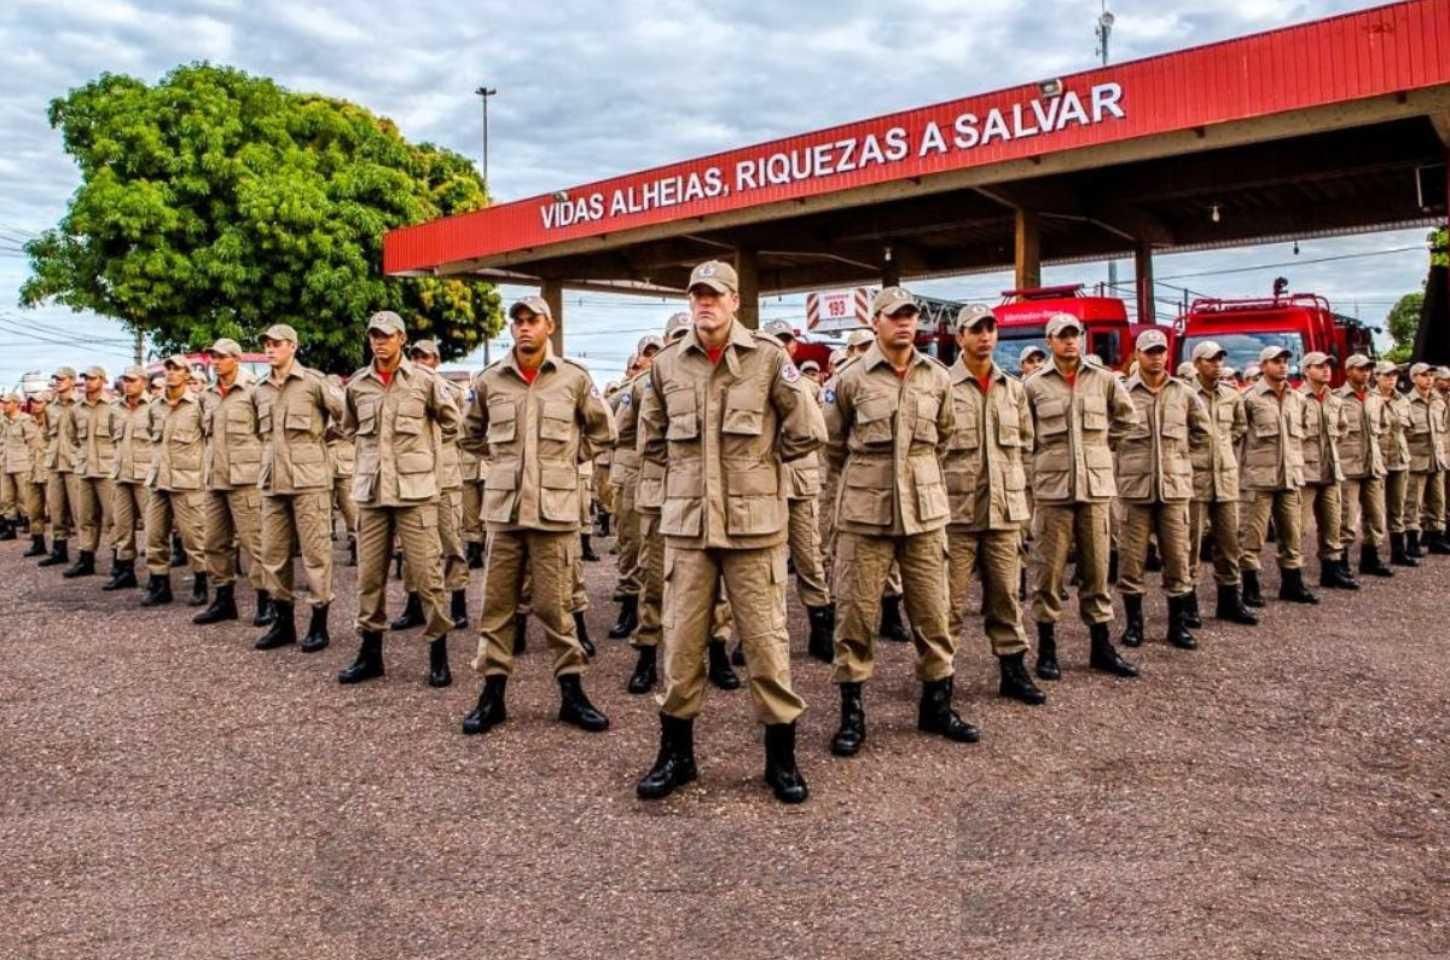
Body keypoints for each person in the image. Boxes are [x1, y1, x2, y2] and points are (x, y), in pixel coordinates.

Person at [635, 261, 820, 804]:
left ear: (736, 301)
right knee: (682, 646)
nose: (705, 304)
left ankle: (781, 759)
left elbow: (807, 430)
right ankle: (677, 756)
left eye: (715, 295)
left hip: (754, 529)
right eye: (697, 296)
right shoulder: (668, 365)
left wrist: (761, 468)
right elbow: (651, 439)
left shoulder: (767, 359)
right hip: (689, 528)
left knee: (766, 646)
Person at [823, 286, 978, 757]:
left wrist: (917, 477)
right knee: (856, 615)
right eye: (895, 316)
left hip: (925, 513)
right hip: (865, 514)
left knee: (933, 612)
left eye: (910, 315)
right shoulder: (850, 378)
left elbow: (944, 439)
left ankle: (936, 706)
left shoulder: (936, 377)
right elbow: (831, 447)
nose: (905, 323)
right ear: (876, 322)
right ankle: (852, 714)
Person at [458, 295, 616, 738]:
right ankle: (492, 696)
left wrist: (566, 462)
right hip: (506, 514)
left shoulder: (574, 379)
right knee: (497, 608)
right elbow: (469, 434)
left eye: (533, 321)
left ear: (550, 326)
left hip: (555, 513)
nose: (524, 328)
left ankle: (572, 694)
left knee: (556, 607)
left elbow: (604, 432)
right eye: (518, 321)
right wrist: (506, 463)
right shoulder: (490, 381)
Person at [336, 312, 461, 686]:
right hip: (372, 493)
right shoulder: (358, 385)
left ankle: (438, 653)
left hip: (415, 493)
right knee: (369, 577)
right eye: (374, 335)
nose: (380, 342)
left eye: (387, 336)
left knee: (427, 576)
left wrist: (424, 461)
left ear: (402, 339)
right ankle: (370, 653)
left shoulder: (424, 382)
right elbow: (349, 428)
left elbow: (452, 423)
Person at [1024, 314, 1140, 680]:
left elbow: (1127, 419)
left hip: (1094, 490)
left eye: (1075, 335)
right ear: (1049, 341)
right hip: (1053, 491)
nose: (1070, 342)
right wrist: (1038, 467)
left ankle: (1101, 647)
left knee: (1097, 570)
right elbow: (1024, 435)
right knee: (1049, 572)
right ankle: (1047, 648)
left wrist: (1101, 449)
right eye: (1062, 336)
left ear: (1083, 338)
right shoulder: (1033, 385)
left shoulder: (1103, 380)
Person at [942, 305, 1044, 705]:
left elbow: (1024, 446)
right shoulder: (942, 386)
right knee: (945, 607)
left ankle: (1013, 671)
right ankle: (940, 681)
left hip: (1003, 514)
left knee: (1006, 597)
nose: (985, 336)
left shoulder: (1012, 388)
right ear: (960, 337)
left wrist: (1023, 501)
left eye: (990, 329)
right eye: (976, 330)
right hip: (956, 514)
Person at [1114, 329, 1211, 651]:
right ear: (1137, 355)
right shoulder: (1123, 392)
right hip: (1134, 490)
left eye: (1161, 351)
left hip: (1174, 489)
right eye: (1149, 351)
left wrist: (1181, 461)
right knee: (1131, 562)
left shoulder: (1182, 393)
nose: (1156, 357)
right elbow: (1107, 435)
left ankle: (1178, 626)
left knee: (1177, 559)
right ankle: (1134, 626)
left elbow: (1202, 433)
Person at [252, 324, 342, 652]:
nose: (270, 349)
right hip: (273, 479)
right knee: (274, 554)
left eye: (276, 344)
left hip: (309, 481)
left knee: (316, 554)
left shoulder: (313, 383)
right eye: (266, 344)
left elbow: (345, 416)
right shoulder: (259, 389)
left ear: (293, 347)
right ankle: (283, 622)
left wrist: (321, 442)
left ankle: (319, 623)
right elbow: (256, 432)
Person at [763, 318, 834, 661]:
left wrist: (778, 454)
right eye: (775, 338)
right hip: (764, 488)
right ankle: (760, 639)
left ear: (793, 346)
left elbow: (819, 434)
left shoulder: (810, 387)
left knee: (810, 560)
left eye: (786, 339)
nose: (781, 344)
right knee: (764, 569)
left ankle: (821, 631)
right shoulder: (755, 381)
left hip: (801, 484)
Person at [193, 339, 268, 625]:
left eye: (221, 357)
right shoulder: (208, 395)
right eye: (212, 356)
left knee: (255, 543)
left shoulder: (254, 391)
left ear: (235, 359)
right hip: (215, 478)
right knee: (213, 541)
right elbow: (205, 432)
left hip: (245, 479)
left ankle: (266, 599)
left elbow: (265, 432)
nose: (215, 361)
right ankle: (223, 599)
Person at [1238, 346, 1318, 605]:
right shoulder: (1249, 398)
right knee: (1252, 536)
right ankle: (1250, 587)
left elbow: (1303, 433)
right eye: (1275, 361)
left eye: (1285, 361)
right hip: (1258, 478)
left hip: (1290, 476)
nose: (1282, 366)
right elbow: (1237, 435)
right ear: (1263, 366)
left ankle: (1292, 584)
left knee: (1292, 534)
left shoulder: (1297, 399)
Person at [401, 339, 470, 631]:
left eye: (426, 357)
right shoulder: (405, 391)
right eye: (415, 356)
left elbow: (461, 430)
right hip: (414, 480)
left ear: (437, 360)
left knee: (451, 540)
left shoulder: (452, 392)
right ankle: (414, 603)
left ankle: (458, 601)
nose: (420, 361)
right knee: (411, 545)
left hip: (445, 478)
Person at [1187, 341, 1257, 624]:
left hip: (1225, 477)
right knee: (1188, 544)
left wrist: (1223, 451)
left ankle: (1229, 601)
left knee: (1229, 541)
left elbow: (1239, 428)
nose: (1216, 364)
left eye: (1219, 359)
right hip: (1194, 477)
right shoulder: (1184, 393)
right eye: (1210, 360)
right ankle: (1187, 601)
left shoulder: (1231, 395)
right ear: (1197, 364)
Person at [140, 356, 208, 607]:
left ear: (187, 375)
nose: (170, 373)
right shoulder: (155, 407)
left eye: (176, 369)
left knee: (194, 538)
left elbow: (208, 439)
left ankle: (202, 583)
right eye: (168, 368)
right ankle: (160, 585)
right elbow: (151, 434)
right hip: (159, 480)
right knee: (154, 536)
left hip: (187, 481)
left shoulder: (197, 406)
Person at [607, 337, 661, 642]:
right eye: (648, 353)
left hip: (669, 473)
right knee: (631, 540)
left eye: (658, 351)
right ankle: (629, 606)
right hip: (634, 471)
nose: (653, 358)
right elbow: (618, 431)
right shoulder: (633, 388)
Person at [1298, 352, 1359, 590]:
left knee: (1333, 525)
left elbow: (1342, 430)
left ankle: (1331, 572)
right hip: (1305, 472)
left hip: (1331, 470)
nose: (1326, 370)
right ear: (1306, 370)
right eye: (1319, 366)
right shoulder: (1297, 399)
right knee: (1299, 528)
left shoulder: (1334, 400)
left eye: (1328, 366)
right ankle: (1294, 576)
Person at [1334, 354, 1393, 578]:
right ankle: (1341, 562)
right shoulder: (1338, 398)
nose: (1365, 373)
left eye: (1368, 369)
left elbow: (1384, 426)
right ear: (1349, 371)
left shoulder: (1375, 398)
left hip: (1373, 465)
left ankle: (1371, 559)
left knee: (1376, 516)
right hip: (1349, 465)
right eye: (1360, 369)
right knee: (1347, 518)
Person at [62, 366, 118, 579]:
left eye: (92, 378)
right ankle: (86, 558)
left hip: (107, 469)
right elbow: (73, 437)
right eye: (85, 378)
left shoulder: (113, 407)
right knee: (85, 517)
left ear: (103, 380)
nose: (88, 382)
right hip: (85, 468)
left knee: (113, 518)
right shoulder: (77, 409)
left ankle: (118, 560)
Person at [105, 368, 153, 592]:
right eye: (125, 380)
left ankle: (156, 576)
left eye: (132, 380)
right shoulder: (115, 409)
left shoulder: (154, 407)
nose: (128, 384)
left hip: (145, 475)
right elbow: (112, 438)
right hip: (121, 474)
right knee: (122, 526)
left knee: (153, 528)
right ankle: (125, 572)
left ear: (144, 382)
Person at [1403, 362, 1450, 557]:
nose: (1429, 378)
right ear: (1414, 378)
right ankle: (1412, 541)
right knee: (1413, 503)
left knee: (1437, 501)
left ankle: (1436, 536)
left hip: (1436, 458)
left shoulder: (1438, 402)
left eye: (1431, 375)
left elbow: (1444, 430)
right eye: (1423, 375)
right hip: (1416, 459)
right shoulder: (1405, 402)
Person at [39, 367, 80, 568]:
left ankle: (85, 554)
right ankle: (59, 550)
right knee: (56, 510)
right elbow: (47, 435)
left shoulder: (81, 406)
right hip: (55, 463)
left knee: (80, 513)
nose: (58, 382)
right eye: (55, 379)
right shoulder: (50, 408)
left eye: (62, 379)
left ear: (72, 381)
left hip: (74, 465)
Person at [1376, 361, 1417, 566]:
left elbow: (1410, 428)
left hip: (1399, 460)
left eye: (1394, 375)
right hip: (1376, 461)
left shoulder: (1403, 401)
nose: (1391, 378)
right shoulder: (1370, 399)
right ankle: (1371, 555)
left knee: (1397, 506)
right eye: (1386, 375)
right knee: (1372, 510)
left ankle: (1398, 551)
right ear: (1376, 377)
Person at [323, 374, 359, 568]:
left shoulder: (345, 408)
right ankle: (325, 550)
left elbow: (351, 428)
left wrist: (334, 431)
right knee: (323, 511)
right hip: (323, 463)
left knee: (351, 509)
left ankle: (356, 547)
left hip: (345, 462)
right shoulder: (321, 409)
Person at [1, 394, 44, 547]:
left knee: (25, 498)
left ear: (16, 404)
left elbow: (33, 443)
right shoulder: (4, 421)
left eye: (7, 403)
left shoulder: (25, 420)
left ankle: (30, 526)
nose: (4, 405)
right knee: (6, 497)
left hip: (22, 463)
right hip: (6, 462)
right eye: (3, 403)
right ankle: (9, 526)